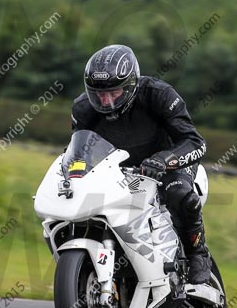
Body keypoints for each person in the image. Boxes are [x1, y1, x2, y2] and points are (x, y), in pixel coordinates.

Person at [70, 44, 211, 283]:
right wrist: (74, 171)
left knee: (178, 193)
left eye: (114, 93)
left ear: (131, 85)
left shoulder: (159, 94)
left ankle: (198, 252)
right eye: (98, 94)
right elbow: (79, 151)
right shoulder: (83, 108)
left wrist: (165, 159)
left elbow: (195, 142)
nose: (106, 101)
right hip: (117, 172)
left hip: (168, 164)